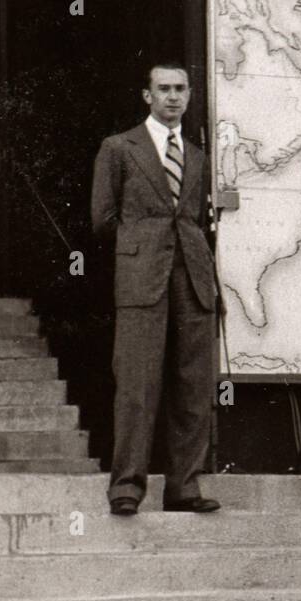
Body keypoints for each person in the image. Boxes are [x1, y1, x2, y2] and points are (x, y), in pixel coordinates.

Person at [91, 63, 221, 516]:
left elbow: (197, 220)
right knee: (136, 385)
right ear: (146, 95)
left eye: (180, 89)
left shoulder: (198, 155)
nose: (172, 97)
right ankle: (126, 487)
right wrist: (143, 247)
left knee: (192, 386)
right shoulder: (118, 148)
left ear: (189, 95)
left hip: (193, 279)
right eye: (163, 89)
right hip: (142, 278)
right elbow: (102, 219)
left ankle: (184, 487)